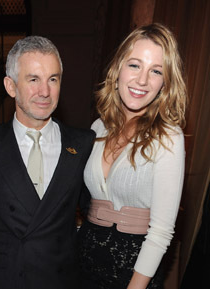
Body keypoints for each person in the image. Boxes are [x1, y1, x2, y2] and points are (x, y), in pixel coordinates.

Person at [0, 36, 95, 289]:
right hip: (9, 279)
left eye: (53, 79)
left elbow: (96, 214)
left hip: (63, 280)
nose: (45, 92)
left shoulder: (82, 144)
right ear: (10, 86)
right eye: (33, 79)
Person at [76, 23, 187, 289]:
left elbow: (161, 232)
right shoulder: (97, 128)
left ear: (165, 83)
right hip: (83, 265)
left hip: (134, 273)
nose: (142, 80)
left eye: (156, 71)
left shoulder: (168, 137)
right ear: (118, 70)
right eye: (135, 65)